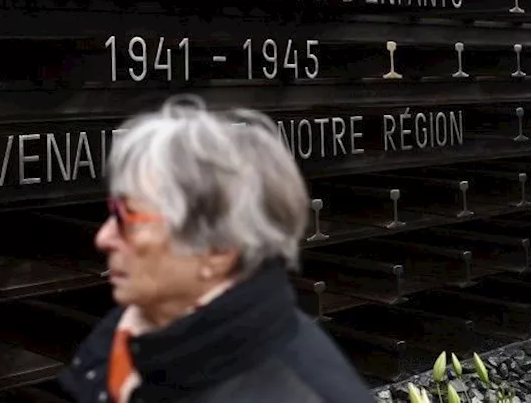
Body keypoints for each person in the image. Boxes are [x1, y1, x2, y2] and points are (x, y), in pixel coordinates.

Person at [58, 96, 374, 403]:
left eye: (128, 218)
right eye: (112, 210)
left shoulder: (303, 391)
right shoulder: (132, 333)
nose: (103, 237)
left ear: (218, 251)